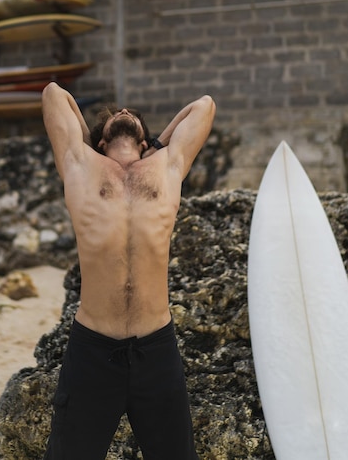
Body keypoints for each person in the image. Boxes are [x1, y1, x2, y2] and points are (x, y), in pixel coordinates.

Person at [41, 82, 216, 460]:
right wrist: (87, 141)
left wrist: (157, 143)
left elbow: (204, 106)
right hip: (92, 350)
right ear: (101, 141)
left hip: (157, 349)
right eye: (114, 116)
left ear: (143, 138)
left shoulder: (167, 165)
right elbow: (54, 93)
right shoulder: (79, 164)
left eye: (131, 115)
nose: (123, 114)